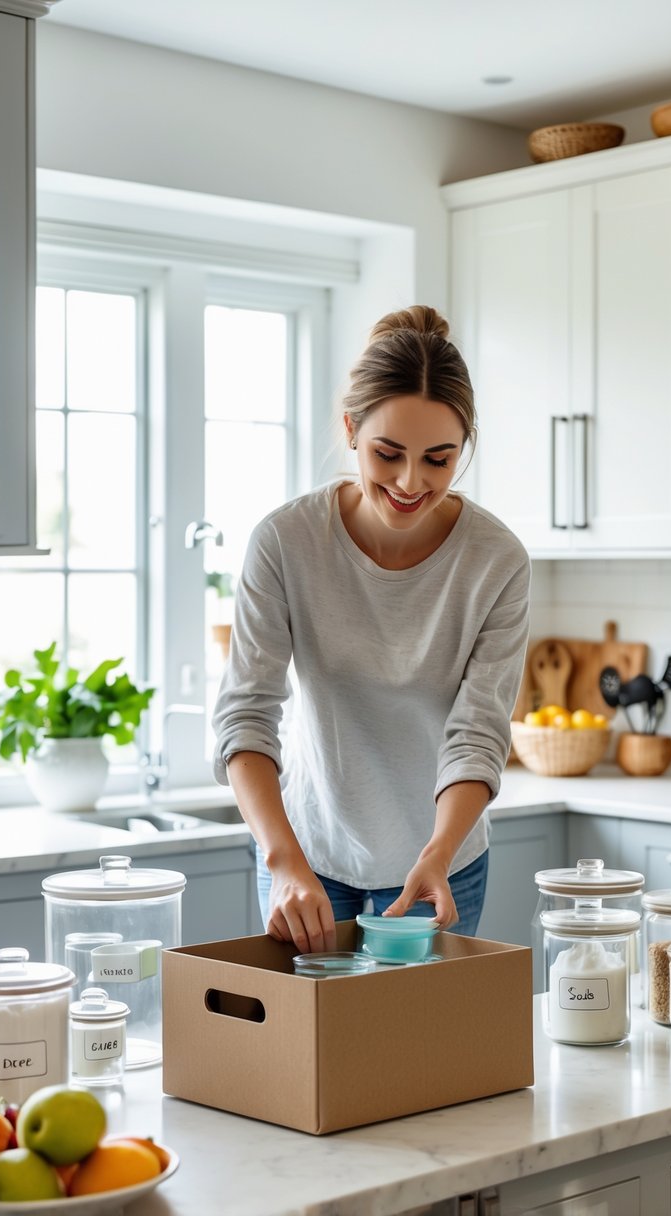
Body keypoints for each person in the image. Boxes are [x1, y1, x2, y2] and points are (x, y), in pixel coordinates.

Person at [212, 305, 530, 955]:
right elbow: (245, 715)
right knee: (300, 1054)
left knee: (415, 1055)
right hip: (306, 855)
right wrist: (283, 863)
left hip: (441, 866)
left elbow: (477, 735)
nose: (412, 483)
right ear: (351, 429)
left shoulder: (496, 561)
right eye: (389, 454)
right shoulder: (286, 542)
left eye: (439, 460)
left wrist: (438, 852)